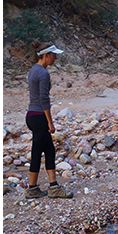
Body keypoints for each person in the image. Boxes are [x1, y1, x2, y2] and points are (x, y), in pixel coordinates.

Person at [25, 44, 74, 199]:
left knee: (49, 151)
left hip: (31, 116)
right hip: (39, 117)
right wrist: (50, 123)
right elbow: (44, 99)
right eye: (54, 55)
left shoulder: (33, 70)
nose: (56, 58)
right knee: (37, 153)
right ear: (47, 54)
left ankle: (50, 186)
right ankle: (35, 189)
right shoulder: (43, 74)